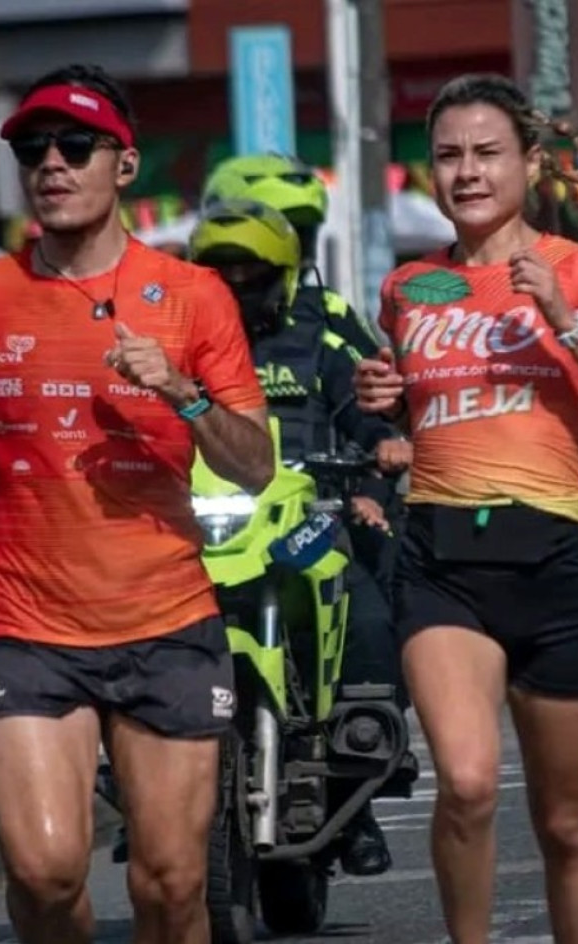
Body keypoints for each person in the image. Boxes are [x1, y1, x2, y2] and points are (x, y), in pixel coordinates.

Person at [0, 63, 273, 944]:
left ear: (123, 166)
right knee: (44, 876)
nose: (52, 162)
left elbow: (256, 468)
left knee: (169, 886)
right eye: (33, 148)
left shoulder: (194, 296)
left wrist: (184, 392)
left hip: (165, 621)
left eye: (75, 145)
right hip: (27, 626)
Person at [353, 73, 578, 944]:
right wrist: (385, 398)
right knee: (464, 782)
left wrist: (564, 320)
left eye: (487, 153)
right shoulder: (408, 289)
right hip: (441, 561)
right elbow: (421, 413)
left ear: (528, 163)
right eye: (448, 155)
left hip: (555, 560)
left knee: (565, 824)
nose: (467, 173)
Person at [187, 196, 411, 876]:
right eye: (218, 272)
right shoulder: (173, 342)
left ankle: (365, 776)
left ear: (283, 273)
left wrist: (377, 468)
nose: (233, 286)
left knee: (368, 611)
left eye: (250, 272)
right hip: (204, 525)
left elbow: (369, 416)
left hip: (311, 520)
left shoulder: (322, 334)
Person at [201, 152, 382, 358]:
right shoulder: (187, 315)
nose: (293, 249)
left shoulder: (326, 309)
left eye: (301, 232)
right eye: (277, 232)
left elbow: (375, 379)